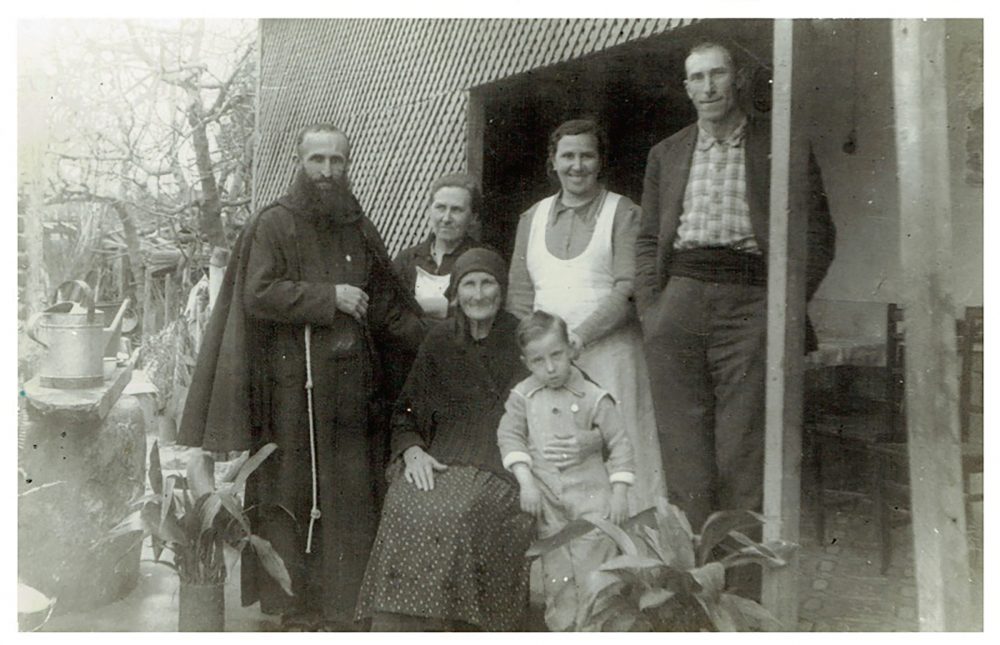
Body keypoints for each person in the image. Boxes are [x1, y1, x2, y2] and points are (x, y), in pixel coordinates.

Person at [178, 123, 425, 631]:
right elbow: (258, 293)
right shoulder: (274, 224)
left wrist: (433, 338)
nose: (328, 172)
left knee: (350, 497)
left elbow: (382, 301)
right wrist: (327, 297)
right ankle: (294, 607)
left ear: (347, 166)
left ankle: (342, 607)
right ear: (300, 162)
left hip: (352, 394)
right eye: (318, 160)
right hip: (292, 392)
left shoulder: (356, 224)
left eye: (337, 161)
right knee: (291, 495)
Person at [634, 42, 836, 596]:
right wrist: (654, 312)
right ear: (686, 87)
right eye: (695, 77)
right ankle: (692, 591)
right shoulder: (667, 153)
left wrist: (784, 308)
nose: (707, 87)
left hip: (751, 300)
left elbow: (818, 235)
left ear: (736, 79)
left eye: (716, 74)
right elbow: (650, 237)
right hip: (679, 300)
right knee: (685, 452)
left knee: (742, 453)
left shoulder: (781, 143)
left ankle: (741, 595)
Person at [356, 248, 535, 632]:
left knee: (460, 513)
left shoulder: (521, 339)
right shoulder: (439, 341)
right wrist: (412, 449)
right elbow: (406, 409)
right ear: (455, 293)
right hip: (440, 457)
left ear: (501, 290)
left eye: (487, 283)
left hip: (499, 459)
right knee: (403, 502)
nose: (479, 294)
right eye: (469, 284)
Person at [507, 118, 666, 516]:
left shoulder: (623, 213)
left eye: (587, 156)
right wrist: (541, 357)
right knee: (559, 463)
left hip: (609, 358)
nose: (577, 166)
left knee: (622, 463)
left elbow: (628, 288)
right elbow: (520, 296)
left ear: (600, 161)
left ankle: (635, 569)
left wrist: (578, 337)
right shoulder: (533, 218)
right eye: (568, 156)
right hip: (549, 368)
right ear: (553, 161)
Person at [497, 310, 635, 632]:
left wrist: (619, 493)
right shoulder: (523, 396)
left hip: (593, 504)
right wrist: (526, 481)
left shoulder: (593, 395)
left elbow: (620, 443)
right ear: (525, 361)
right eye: (537, 360)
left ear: (571, 349)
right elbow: (509, 435)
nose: (550, 368)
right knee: (558, 581)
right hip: (550, 506)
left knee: (597, 578)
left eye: (557, 355)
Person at [393, 172, 483, 320]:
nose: (446, 218)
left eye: (456, 210)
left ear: (473, 217)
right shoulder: (406, 259)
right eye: (440, 208)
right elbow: (388, 310)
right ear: (430, 209)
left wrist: (419, 307)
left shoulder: (481, 259)